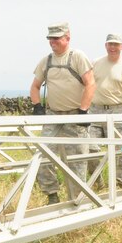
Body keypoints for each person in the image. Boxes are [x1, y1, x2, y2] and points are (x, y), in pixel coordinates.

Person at [29, 22, 96, 204]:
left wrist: (83, 111)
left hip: (75, 116)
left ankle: (77, 200)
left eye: (57, 38)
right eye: (50, 38)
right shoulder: (46, 61)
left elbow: (90, 83)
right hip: (53, 115)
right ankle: (52, 195)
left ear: (67, 37)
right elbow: (35, 86)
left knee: (77, 160)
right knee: (43, 155)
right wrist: (37, 106)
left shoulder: (77, 57)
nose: (53, 41)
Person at [88, 34, 122, 188]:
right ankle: (97, 183)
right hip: (95, 111)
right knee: (91, 148)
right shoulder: (95, 63)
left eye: (116, 44)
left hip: (117, 110)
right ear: (105, 46)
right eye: (110, 44)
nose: (113, 47)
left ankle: (119, 184)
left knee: (118, 151)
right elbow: (88, 85)